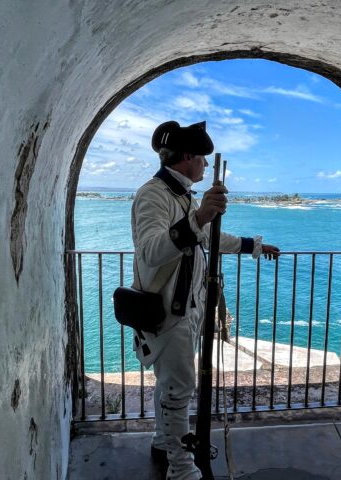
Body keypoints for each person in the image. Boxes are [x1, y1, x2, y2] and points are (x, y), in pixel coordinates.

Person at [131, 120, 279, 480]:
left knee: (169, 383)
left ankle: (162, 439)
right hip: (169, 313)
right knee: (180, 388)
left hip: (185, 309)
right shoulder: (154, 195)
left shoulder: (182, 195)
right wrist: (199, 216)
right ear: (187, 157)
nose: (207, 167)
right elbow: (151, 252)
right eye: (203, 160)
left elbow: (210, 236)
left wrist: (253, 246)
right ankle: (181, 469)